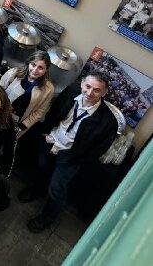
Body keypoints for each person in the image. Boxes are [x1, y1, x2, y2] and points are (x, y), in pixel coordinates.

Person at [19, 72, 121, 233]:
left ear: (104, 93)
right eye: (87, 86)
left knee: (57, 188)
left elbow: (98, 150)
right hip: (52, 140)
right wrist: (47, 132)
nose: (89, 92)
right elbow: (54, 111)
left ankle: (47, 217)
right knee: (43, 169)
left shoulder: (108, 122)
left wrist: (74, 158)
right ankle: (37, 190)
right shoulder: (70, 93)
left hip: (72, 155)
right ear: (82, 84)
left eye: (96, 90)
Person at [0, 50, 55, 138]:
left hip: (19, 122)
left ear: (46, 70)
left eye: (41, 68)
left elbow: (39, 112)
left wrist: (24, 125)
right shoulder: (13, 73)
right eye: (33, 64)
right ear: (28, 63)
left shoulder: (48, 89)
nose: (35, 70)